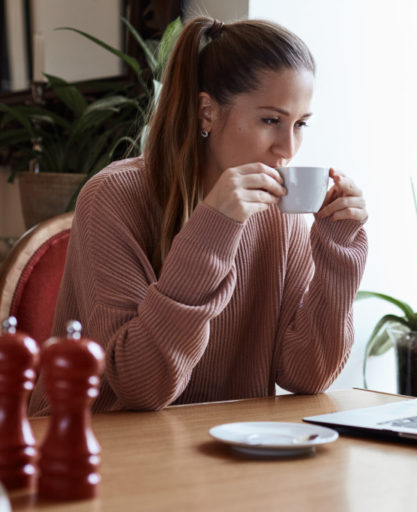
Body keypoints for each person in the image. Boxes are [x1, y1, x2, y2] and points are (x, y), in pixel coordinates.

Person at [28, 16, 368, 415]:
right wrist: (214, 229)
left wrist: (337, 253)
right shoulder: (113, 198)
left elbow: (305, 374)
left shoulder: (282, 216)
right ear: (207, 112)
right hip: (94, 447)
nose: (287, 148)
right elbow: (141, 386)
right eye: (271, 120)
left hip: (219, 449)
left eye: (301, 124)